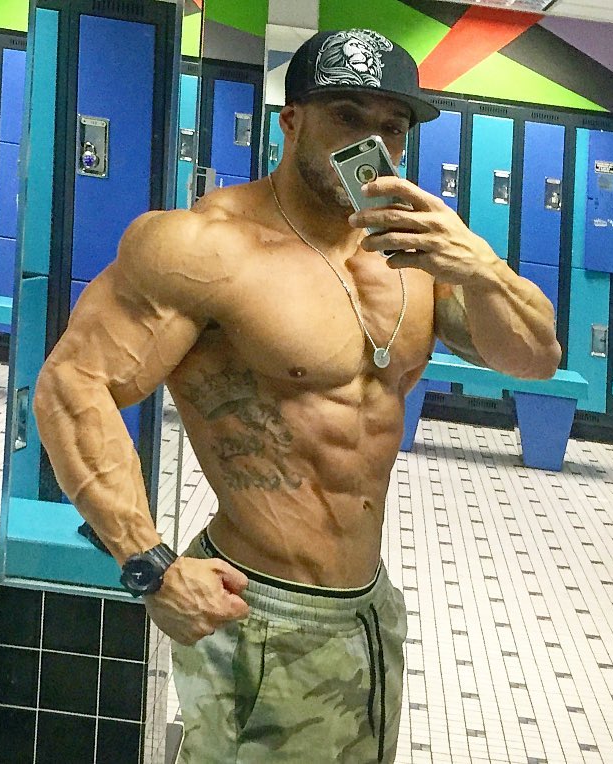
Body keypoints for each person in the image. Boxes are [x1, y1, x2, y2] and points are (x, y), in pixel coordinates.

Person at [33, 28, 561, 764]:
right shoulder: (204, 247)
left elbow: (536, 358)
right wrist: (148, 567)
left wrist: (482, 268)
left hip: (369, 611)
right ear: (292, 121)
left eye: (392, 126)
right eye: (347, 114)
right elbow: (73, 383)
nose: (371, 140)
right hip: (259, 611)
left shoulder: (417, 254)